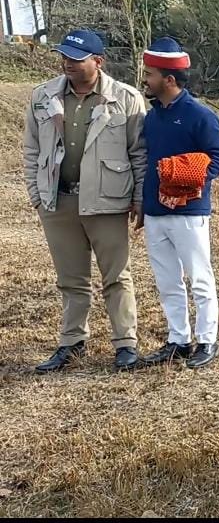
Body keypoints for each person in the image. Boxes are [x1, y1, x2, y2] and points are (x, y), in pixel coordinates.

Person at [24, 29, 147, 373]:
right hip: (58, 201)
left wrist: (139, 198)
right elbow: (32, 149)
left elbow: (139, 153)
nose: (68, 64)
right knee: (70, 279)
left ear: (98, 61)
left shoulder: (126, 98)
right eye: (64, 57)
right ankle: (71, 343)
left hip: (108, 201)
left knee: (116, 276)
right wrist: (36, 195)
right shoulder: (42, 95)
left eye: (76, 59)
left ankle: (125, 344)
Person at [138, 37, 219, 369]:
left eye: (149, 74)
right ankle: (178, 339)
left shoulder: (199, 116)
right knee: (167, 281)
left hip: (189, 212)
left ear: (169, 79)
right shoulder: (152, 118)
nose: (145, 80)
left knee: (199, 278)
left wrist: (189, 176)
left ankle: (207, 339)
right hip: (155, 211)